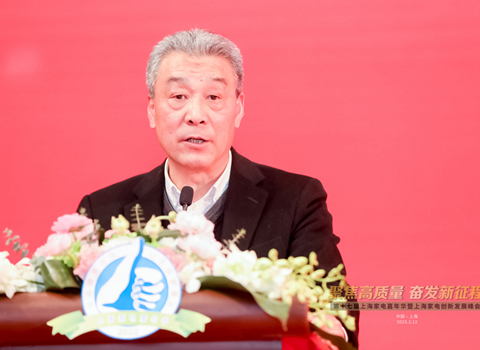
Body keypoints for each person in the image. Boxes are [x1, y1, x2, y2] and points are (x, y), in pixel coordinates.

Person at [77, 29, 358, 346]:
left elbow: (335, 307)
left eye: (213, 97)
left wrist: (325, 326)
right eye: (178, 97)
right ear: (151, 109)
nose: (196, 116)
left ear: (238, 108)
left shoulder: (296, 200)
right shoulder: (102, 211)